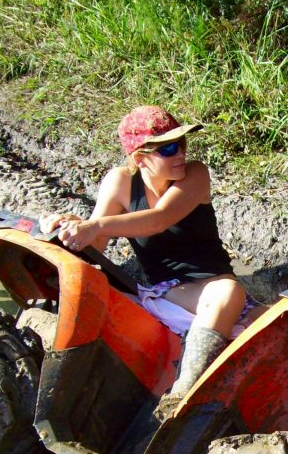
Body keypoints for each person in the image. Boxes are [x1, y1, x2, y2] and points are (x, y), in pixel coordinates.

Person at [41, 105, 251, 416]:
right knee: (229, 291)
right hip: (173, 290)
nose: (180, 152)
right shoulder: (121, 181)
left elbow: (159, 219)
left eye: (182, 143)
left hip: (214, 287)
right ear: (140, 158)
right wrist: (68, 226)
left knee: (284, 328)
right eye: (167, 148)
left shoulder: (195, 173)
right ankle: (182, 397)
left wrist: (95, 225)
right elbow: (96, 243)